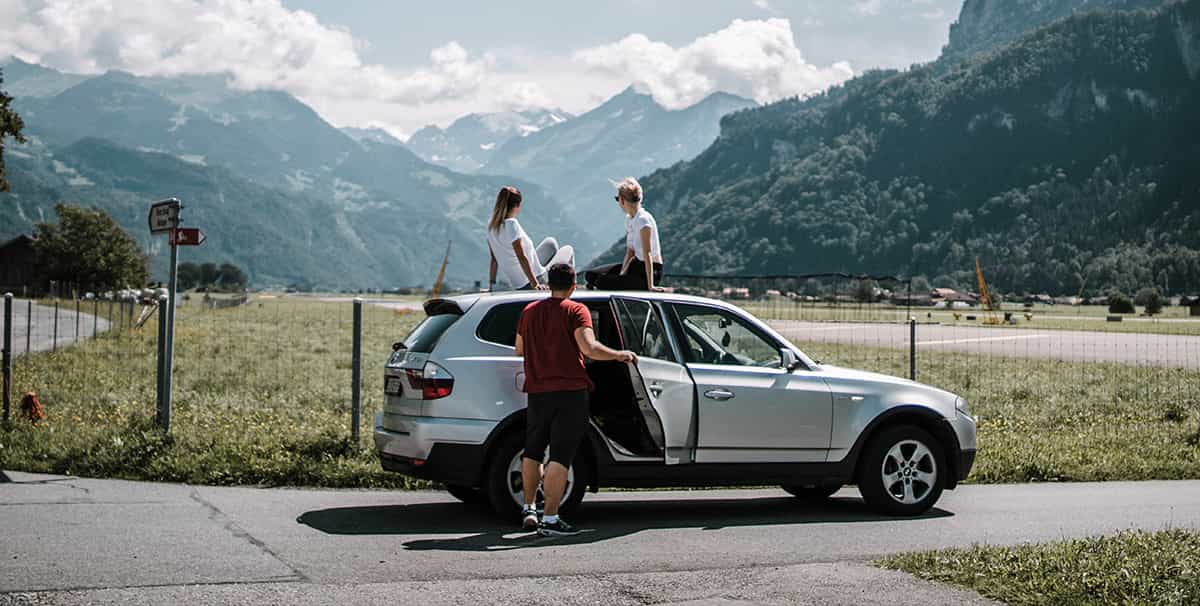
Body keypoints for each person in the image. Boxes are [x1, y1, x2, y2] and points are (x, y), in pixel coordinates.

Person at [514, 263, 636, 536]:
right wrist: (620, 355)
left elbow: (519, 349)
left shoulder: (529, 312)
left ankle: (529, 508)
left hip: (538, 392)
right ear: (573, 286)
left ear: (548, 282)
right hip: (569, 393)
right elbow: (589, 348)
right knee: (560, 455)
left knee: (532, 450)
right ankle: (551, 519)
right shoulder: (576, 310)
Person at [487, 186, 575, 291]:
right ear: (518, 205)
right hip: (532, 280)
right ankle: (569, 287)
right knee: (568, 249)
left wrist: (491, 285)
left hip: (519, 281)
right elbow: (521, 256)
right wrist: (535, 284)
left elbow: (494, 259)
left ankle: (554, 279)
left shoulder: (491, 227)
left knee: (550, 242)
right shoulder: (511, 224)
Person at [584, 177, 663, 291]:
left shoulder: (643, 220)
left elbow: (648, 254)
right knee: (591, 275)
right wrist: (621, 275)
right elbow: (630, 252)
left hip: (650, 272)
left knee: (602, 282)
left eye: (617, 199)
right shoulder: (630, 219)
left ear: (622, 200)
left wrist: (651, 286)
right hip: (636, 266)